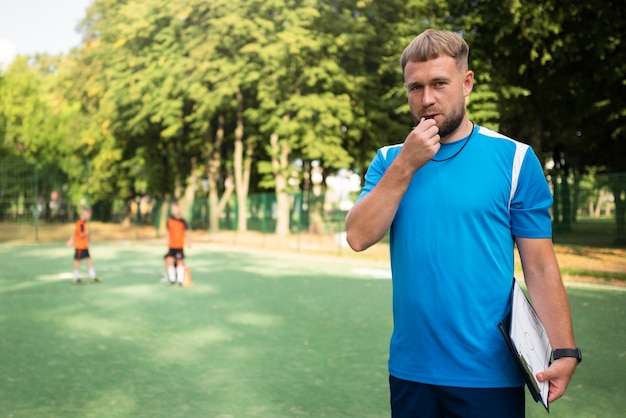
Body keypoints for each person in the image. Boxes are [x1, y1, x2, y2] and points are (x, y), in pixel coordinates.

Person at [345, 29, 580, 417]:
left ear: (466, 82)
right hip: (411, 372)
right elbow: (357, 236)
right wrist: (407, 163)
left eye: (439, 83)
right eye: (414, 88)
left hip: (491, 375)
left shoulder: (515, 159)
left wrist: (566, 349)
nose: (427, 100)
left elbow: (539, 265)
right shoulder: (389, 161)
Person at [66, 207, 101, 284]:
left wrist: (71, 240)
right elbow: (82, 233)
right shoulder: (81, 223)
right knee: (77, 261)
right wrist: (86, 232)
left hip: (84, 245)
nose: (90, 215)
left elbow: (75, 232)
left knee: (89, 260)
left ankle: (93, 276)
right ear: (85, 213)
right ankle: (75, 278)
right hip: (80, 246)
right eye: (89, 214)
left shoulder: (83, 222)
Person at [164, 202, 190, 285]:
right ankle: (172, 278)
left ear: (179, 209)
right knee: (169, 261)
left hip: (179, 245)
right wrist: (167, 240)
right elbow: (168, 231)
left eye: (175, 208)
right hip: (172, 245)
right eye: (172, 209)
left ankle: (180, 279)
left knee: (179, 261)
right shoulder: (169, 220)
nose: (174, 210)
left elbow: (187, 232)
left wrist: (188, 242)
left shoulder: (183, 221)